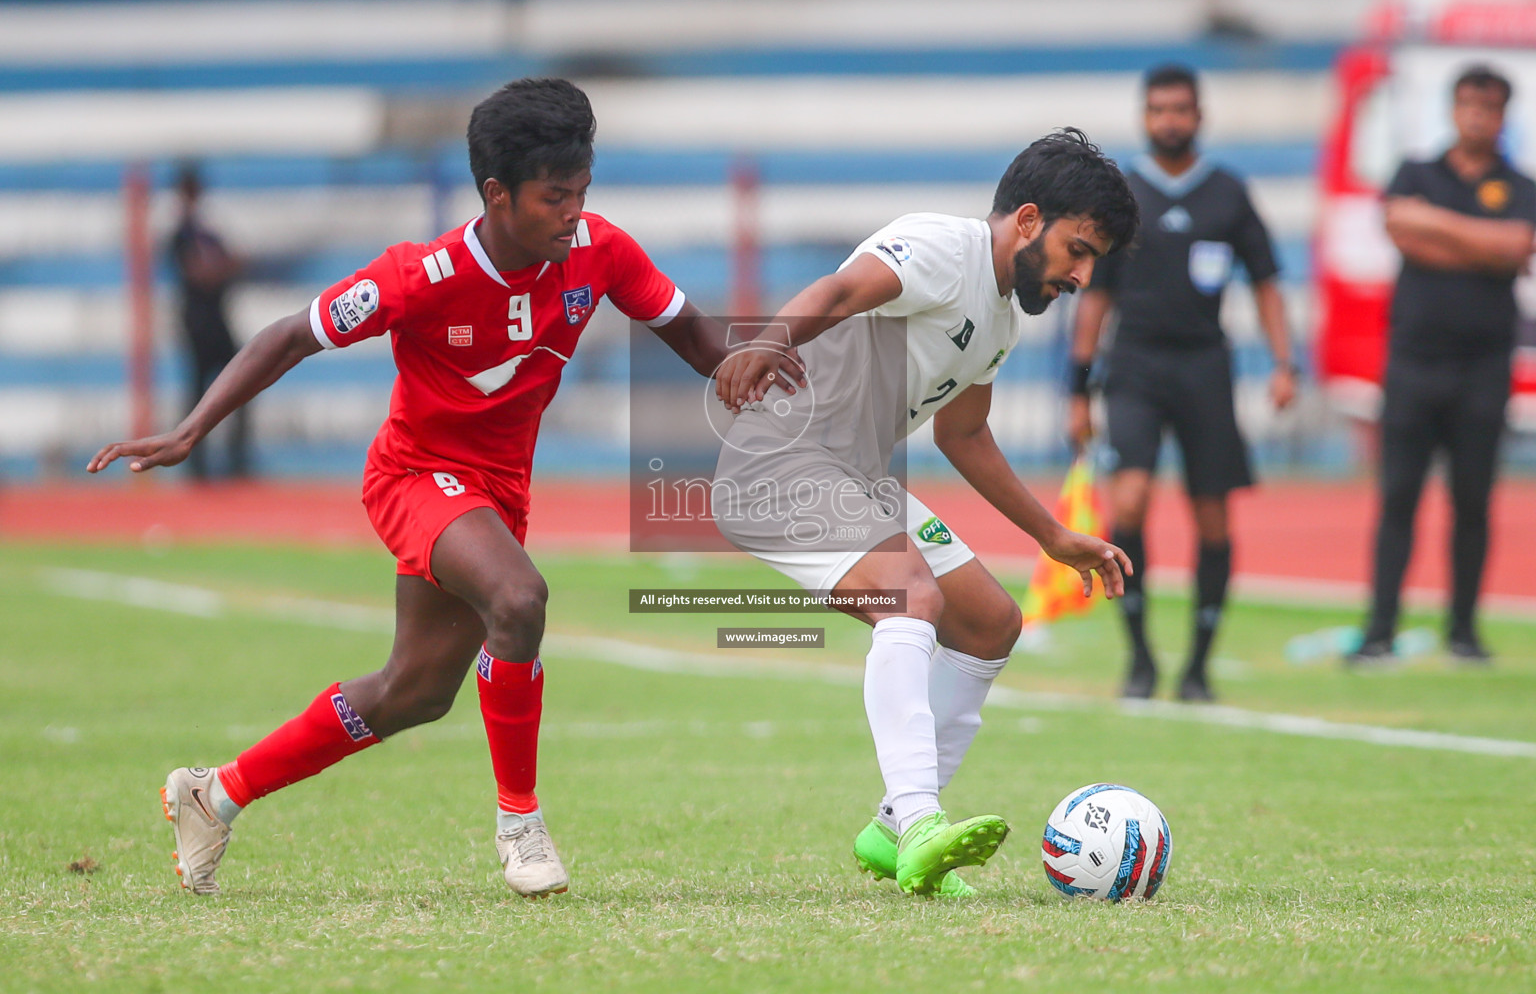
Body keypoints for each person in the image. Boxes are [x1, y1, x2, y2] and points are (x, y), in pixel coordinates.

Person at [88, 78, 798, 898]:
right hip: (416, 476)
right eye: (554, 197)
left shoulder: (601, 251)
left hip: (497, 495)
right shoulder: (419, 277)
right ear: (496, 195)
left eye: (583, 193)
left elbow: (692, 334)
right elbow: (290, 336)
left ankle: (216, 793)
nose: (574, 213)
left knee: (414, 693)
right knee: (519, 598)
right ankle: (520, 822)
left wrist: (745, 365)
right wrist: (190, 428)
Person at [713, 129, 1139, 898]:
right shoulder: (944, 248)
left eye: (1093, 262)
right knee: (910, 596)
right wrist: (765, 344)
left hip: (856, 473)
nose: (1081, 274)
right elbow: (840, 291)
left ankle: (889, 828)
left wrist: (1053, 537)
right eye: (1079, 250)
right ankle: (917, 823)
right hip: (782, 462)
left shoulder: (1002, 319)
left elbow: (962, 432)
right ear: (1030, 219)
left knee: (987, 621)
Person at [1066, 64, 1296, 703]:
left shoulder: (1227, 192)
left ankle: (1198, 665)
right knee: (1130, 503)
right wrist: (1076, 389)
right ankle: (1140, 658)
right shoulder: (1124, 194)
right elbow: (1093, 297)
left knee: (1213, 516)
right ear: (1146, 116)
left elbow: (1268, 283)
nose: (1170, 120)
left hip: (1205, 366)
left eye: (1180, 109)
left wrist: (1284, 363)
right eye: (1159, 109)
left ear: (1199, 116)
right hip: (1134, 366)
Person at [1354, 65, 1536, 665]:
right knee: (1399, 497)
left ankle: (1463, 629)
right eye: (1467, 104)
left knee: (1473, 502)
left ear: (1503, 115)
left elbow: (1516, 249)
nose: (1477, 116)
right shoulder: (1416, 171)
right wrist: (1483, 243)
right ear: (1452, 109)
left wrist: (1438, 224)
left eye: (1489, 107)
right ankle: (1380, 628)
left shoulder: (1520, 184)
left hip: (1482, 365)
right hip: (1413, 361)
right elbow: (1400, 228)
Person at [169, 164, 250, 480]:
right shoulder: (180, 236)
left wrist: (221, 268)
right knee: (199, 394)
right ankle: (197, 466)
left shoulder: (207, 233)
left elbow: (233, 264)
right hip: (198, 323)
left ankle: (234, 460)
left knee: (239, 385)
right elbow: (201, 273)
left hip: (216, 320)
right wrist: (222, 268)